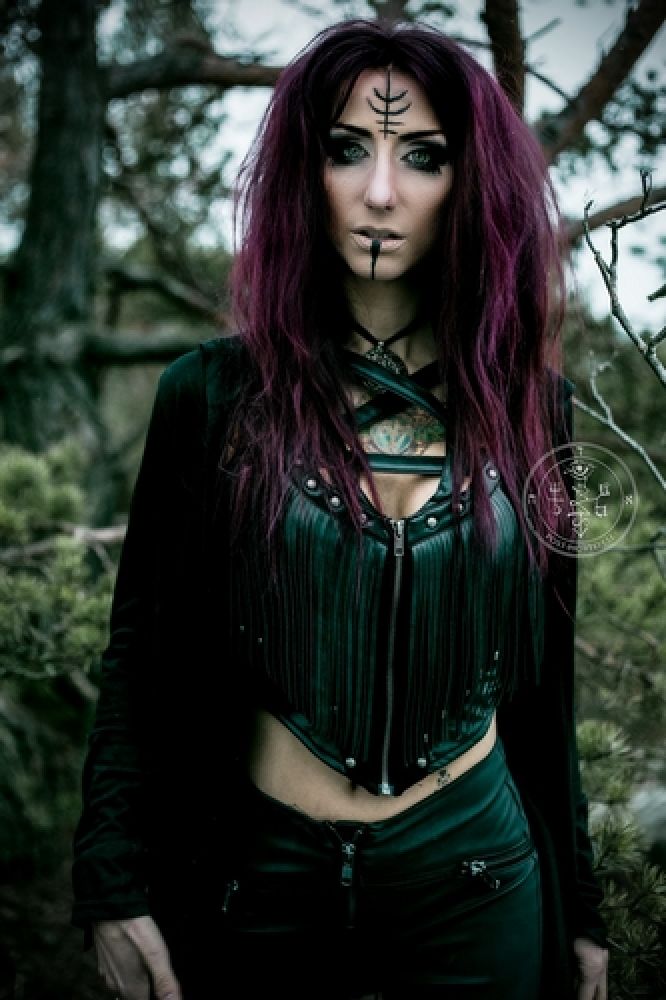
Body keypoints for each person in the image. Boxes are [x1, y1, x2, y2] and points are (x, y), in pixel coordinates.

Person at [71, 17, 610, 1000]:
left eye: (424, 157)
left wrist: (582, 908)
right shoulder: (211, 398)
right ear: (303, 171)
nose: (380, 193)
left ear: (471, 182)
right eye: (347, 149)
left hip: (478, 884)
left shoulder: (534, 410)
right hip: (262, 882)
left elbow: (543, 687)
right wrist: (110, 877)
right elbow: (142, 656)